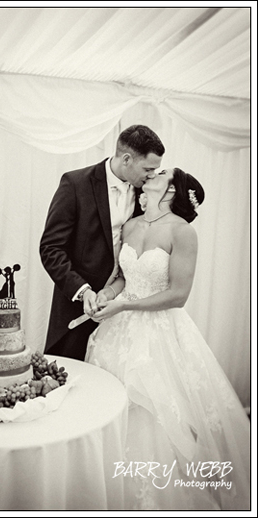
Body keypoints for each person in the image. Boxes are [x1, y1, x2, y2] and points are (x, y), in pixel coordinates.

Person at [85, 168, 250, 510]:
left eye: (161, 172)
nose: (153, 173)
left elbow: (178, 295)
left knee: (154, 411)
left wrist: (123, 305)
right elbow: (119, 278)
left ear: (173, 190)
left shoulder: (183, 232)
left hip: (160, 333)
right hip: (118, 328)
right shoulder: (130, 226)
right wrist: (105, 295)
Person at [40, 125, 165, 360]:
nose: (152, 176)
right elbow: (51, 248)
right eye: (148, 169)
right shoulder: (75, 184)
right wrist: (83, 291)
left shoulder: (147, 192)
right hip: (80, 306)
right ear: (127, 159)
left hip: (127, 308)